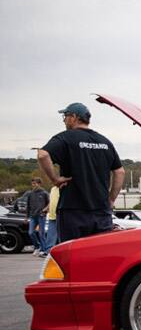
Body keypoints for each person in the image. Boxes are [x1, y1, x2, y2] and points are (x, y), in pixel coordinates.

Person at [37, 102, 125, 242]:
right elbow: (119, 171)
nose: (64, 120)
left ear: (73, 117)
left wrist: (55, 179)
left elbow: (42, 154)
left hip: (73, 210)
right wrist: (111, 199)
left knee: (71, 255)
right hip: (101, 211)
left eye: (65, 116)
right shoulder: (105, 141)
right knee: (99, 255)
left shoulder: (66, 137)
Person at [17, 178, 49, 255]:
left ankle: (44, 250)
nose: (33, 185)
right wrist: (26, 217)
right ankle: (37, 247)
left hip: (41, 216)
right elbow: (28, 206)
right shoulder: (30, 194)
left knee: (41, 234)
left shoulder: (44, 193)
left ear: (39, 184)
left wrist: (45, 210)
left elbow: (49, 204)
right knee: (31, 233)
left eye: (35, 183)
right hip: (32, 216)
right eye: (32, 184)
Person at [40, 184, 60, 257]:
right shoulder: (52, 189)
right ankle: (48, 252)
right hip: (52, 216)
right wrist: (46, 209)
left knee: (61, 235)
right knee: (50, 235)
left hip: (60, 215)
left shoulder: (63, 188)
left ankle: (62, 251)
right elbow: (51, 201)